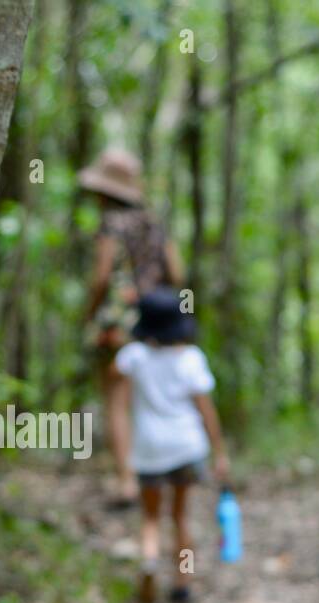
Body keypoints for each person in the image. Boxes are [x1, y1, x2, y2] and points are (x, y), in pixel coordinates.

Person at [77, 147, 184, 507]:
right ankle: (157, 474)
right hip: (156, 320)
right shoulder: (155, 222)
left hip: (118, 323)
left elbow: (101, 276)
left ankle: (127, 481)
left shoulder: (110, 223)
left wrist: (91, 312)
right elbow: (177, 273)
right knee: (148, 397)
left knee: (116, 401)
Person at [108, 287, 228, 603]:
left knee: (150, 516)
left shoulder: (132, 357)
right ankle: (182, 580)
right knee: (180, 516)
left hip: (149, 448)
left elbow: (115, 395)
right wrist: (219, 452)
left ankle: (149, 562)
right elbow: (206, 410)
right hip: (186, 445)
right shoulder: (191, 359)